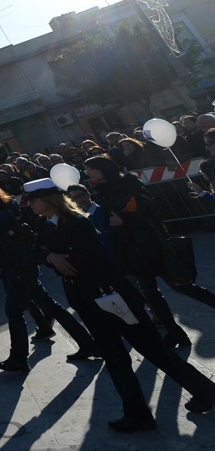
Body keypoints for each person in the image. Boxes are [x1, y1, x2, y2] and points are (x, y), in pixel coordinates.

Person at [27, 178, 214, 432]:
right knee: (115, 360)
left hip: (113, 297)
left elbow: (90, 258)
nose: (29, 205)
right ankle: (138, 415)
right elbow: (35, 251)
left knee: (154, 350)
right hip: (87, 301)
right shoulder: (43, 224)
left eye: (33, 200)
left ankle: (205, 390)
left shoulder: (78, 222)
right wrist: (51, 256)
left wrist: (59, 257)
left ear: (48, 200)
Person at [0, 180, 98, 372]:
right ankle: (87, 342)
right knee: (51, 307)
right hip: (18, 265)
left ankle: (19, 357)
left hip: (20, 267)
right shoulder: (4, 210)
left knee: (14, 312)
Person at [84, 155, 191, 347]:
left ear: (103, 168)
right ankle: (174, 332)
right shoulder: (100, 190)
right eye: (86, 170)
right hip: (131, 247)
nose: (88, 173)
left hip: (150, 243)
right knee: (150, 291)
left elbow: (150, 210)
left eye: (90, 168)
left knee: (180, 285)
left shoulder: (128, 182)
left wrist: (125, 221)